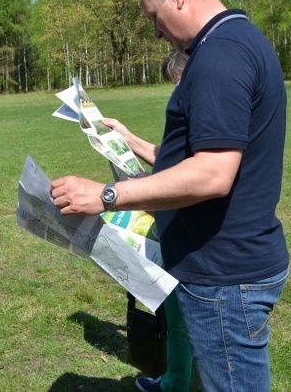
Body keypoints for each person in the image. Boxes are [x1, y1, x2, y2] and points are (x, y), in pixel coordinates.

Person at [51, 0, 290, 392]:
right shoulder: (239, 40)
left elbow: (213, 173)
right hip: (233, 265)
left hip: (225, 276)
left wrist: (107, 195)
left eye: (154, 17)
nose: (156, 32)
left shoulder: (220, 55)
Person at [103, 49, 193, 392]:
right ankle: (174, 380)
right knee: (176, 315)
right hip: (175, 227)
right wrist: (126, 137)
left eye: (180, 82)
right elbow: (167, 158)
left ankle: (176, 384)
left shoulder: (205, 102)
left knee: (182, 318)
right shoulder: (191, 106)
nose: (178, 91)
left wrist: (134, 191)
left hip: (187, 228)